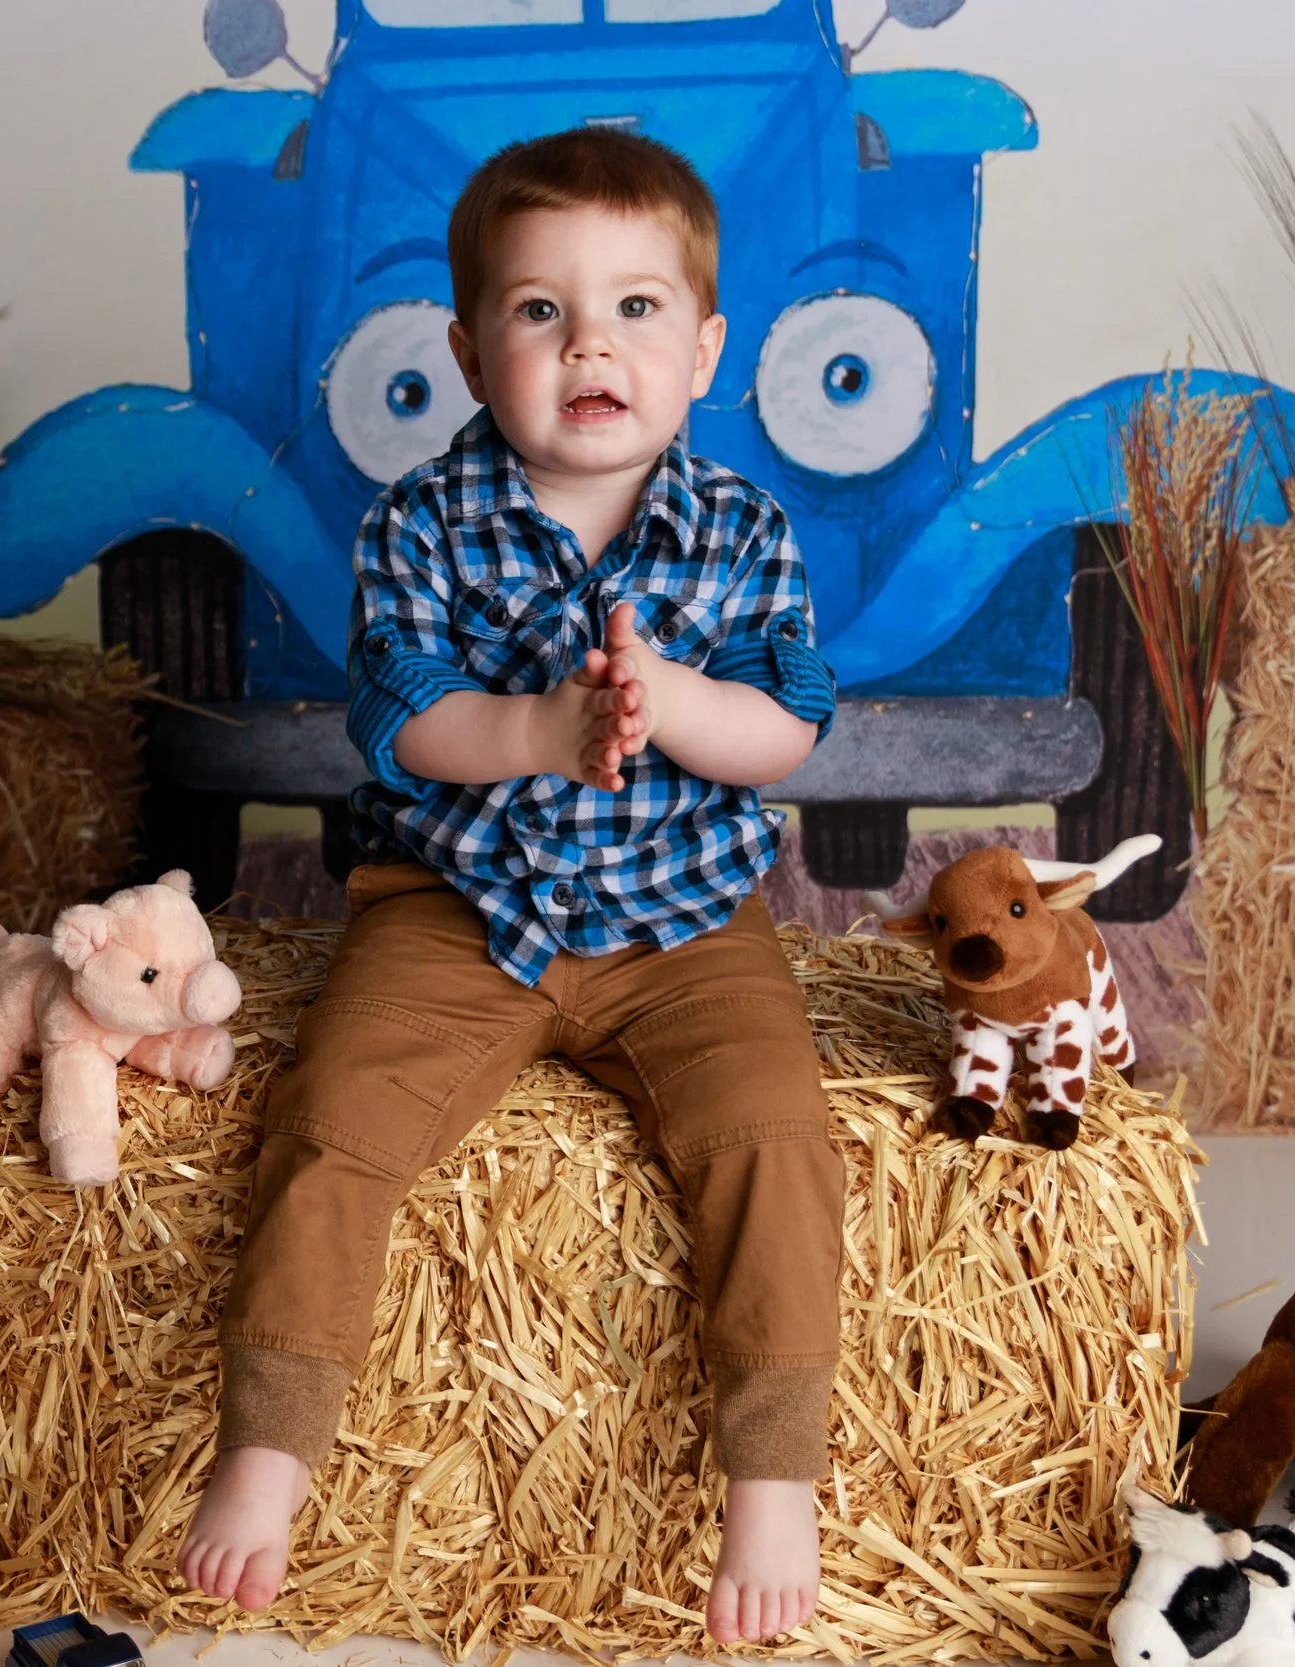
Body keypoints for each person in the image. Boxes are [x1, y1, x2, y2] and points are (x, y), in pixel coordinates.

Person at [177, 126, 842, 1647]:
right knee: (338, 1121)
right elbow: (403, 715)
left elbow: (788, 724)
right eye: (540, 312)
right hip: (457, 907)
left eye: (635, 310)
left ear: (706, 350)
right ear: (476, 355)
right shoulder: (419, 526)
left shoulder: (743, 533)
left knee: (774, 1135)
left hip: (686, 923)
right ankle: (270, 1445)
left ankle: (773, 1476)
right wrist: (545, 728)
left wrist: (668, 700)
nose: (589, 343)